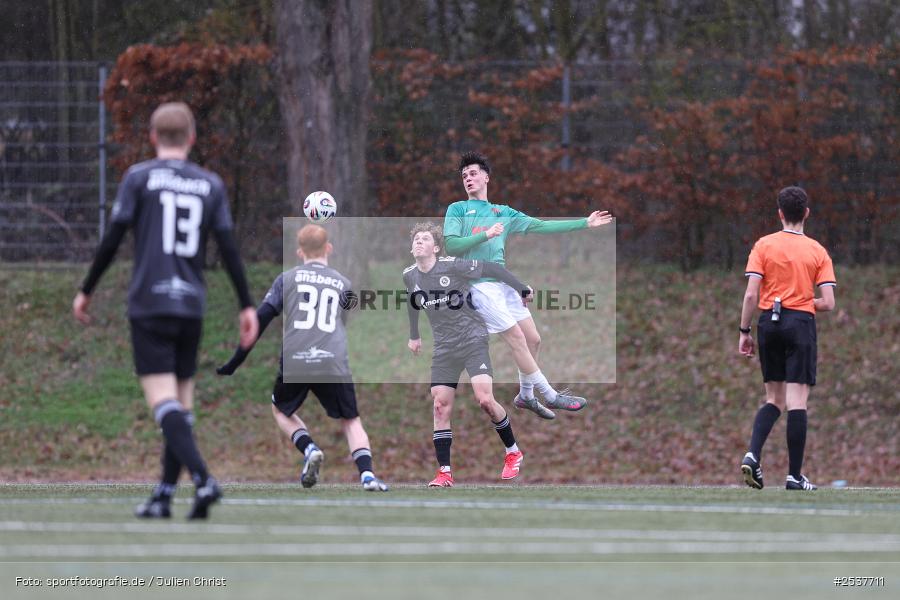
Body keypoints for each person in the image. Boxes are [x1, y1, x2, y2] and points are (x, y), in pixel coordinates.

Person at [72, 102, 258, 519]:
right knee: (180, 406)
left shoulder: (139, 178)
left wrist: (86, 289)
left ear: (153, 137)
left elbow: (113, 237)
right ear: (191, 138)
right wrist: (246, 303)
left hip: (151, 303)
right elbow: (228, 248)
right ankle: (164, 495)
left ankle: (204, 479)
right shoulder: (210, 184)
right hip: (190, 305)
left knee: (164, 404)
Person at [217, 224, 389, 492]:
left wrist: (236, 361)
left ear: (300, 252)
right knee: (350, 419)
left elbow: (259, 321)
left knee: (280, 409)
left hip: (296, 358)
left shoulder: (286, 279)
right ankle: (367, 476)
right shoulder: (344, 284)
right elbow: (343, 321)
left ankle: (309, 449)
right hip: (332, 359)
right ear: (328, 248)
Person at [443, 151, 613, 419]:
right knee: (517, 339)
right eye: (464, 176)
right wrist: (486, 234)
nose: (468, 178)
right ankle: (551, 395)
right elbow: (451, 246)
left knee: (533, 339)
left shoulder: (503, 212)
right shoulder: (458, 209)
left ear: (487, 177)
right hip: (476, 286)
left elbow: (541, 226)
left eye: (473, 173)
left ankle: (525, 395)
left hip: (501, 282)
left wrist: (585, 223)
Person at [405, 222, 533, 487]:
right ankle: (444, 473)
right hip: (444, 348)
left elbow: (493, 269)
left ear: (436, 248)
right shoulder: (409, 275)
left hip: (472, 339)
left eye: (425, 238)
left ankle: (512, 451)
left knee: (484, 400)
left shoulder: (452, 265)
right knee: (439, 405)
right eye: (416, 239)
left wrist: (521, 287)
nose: (419, 241)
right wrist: (414, 335)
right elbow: (413, 301)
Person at [738, 186, 836, 491]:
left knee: (774, 399)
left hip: (769, 323)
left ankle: (753, 454)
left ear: (780, 213)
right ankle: (794, 476)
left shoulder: (764, 245)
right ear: (806, 213)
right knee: (796, 402)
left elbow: (751, 294)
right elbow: (829, 302)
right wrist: (804, 302)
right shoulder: (817, 251)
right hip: (800, 324)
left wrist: (744, 332)